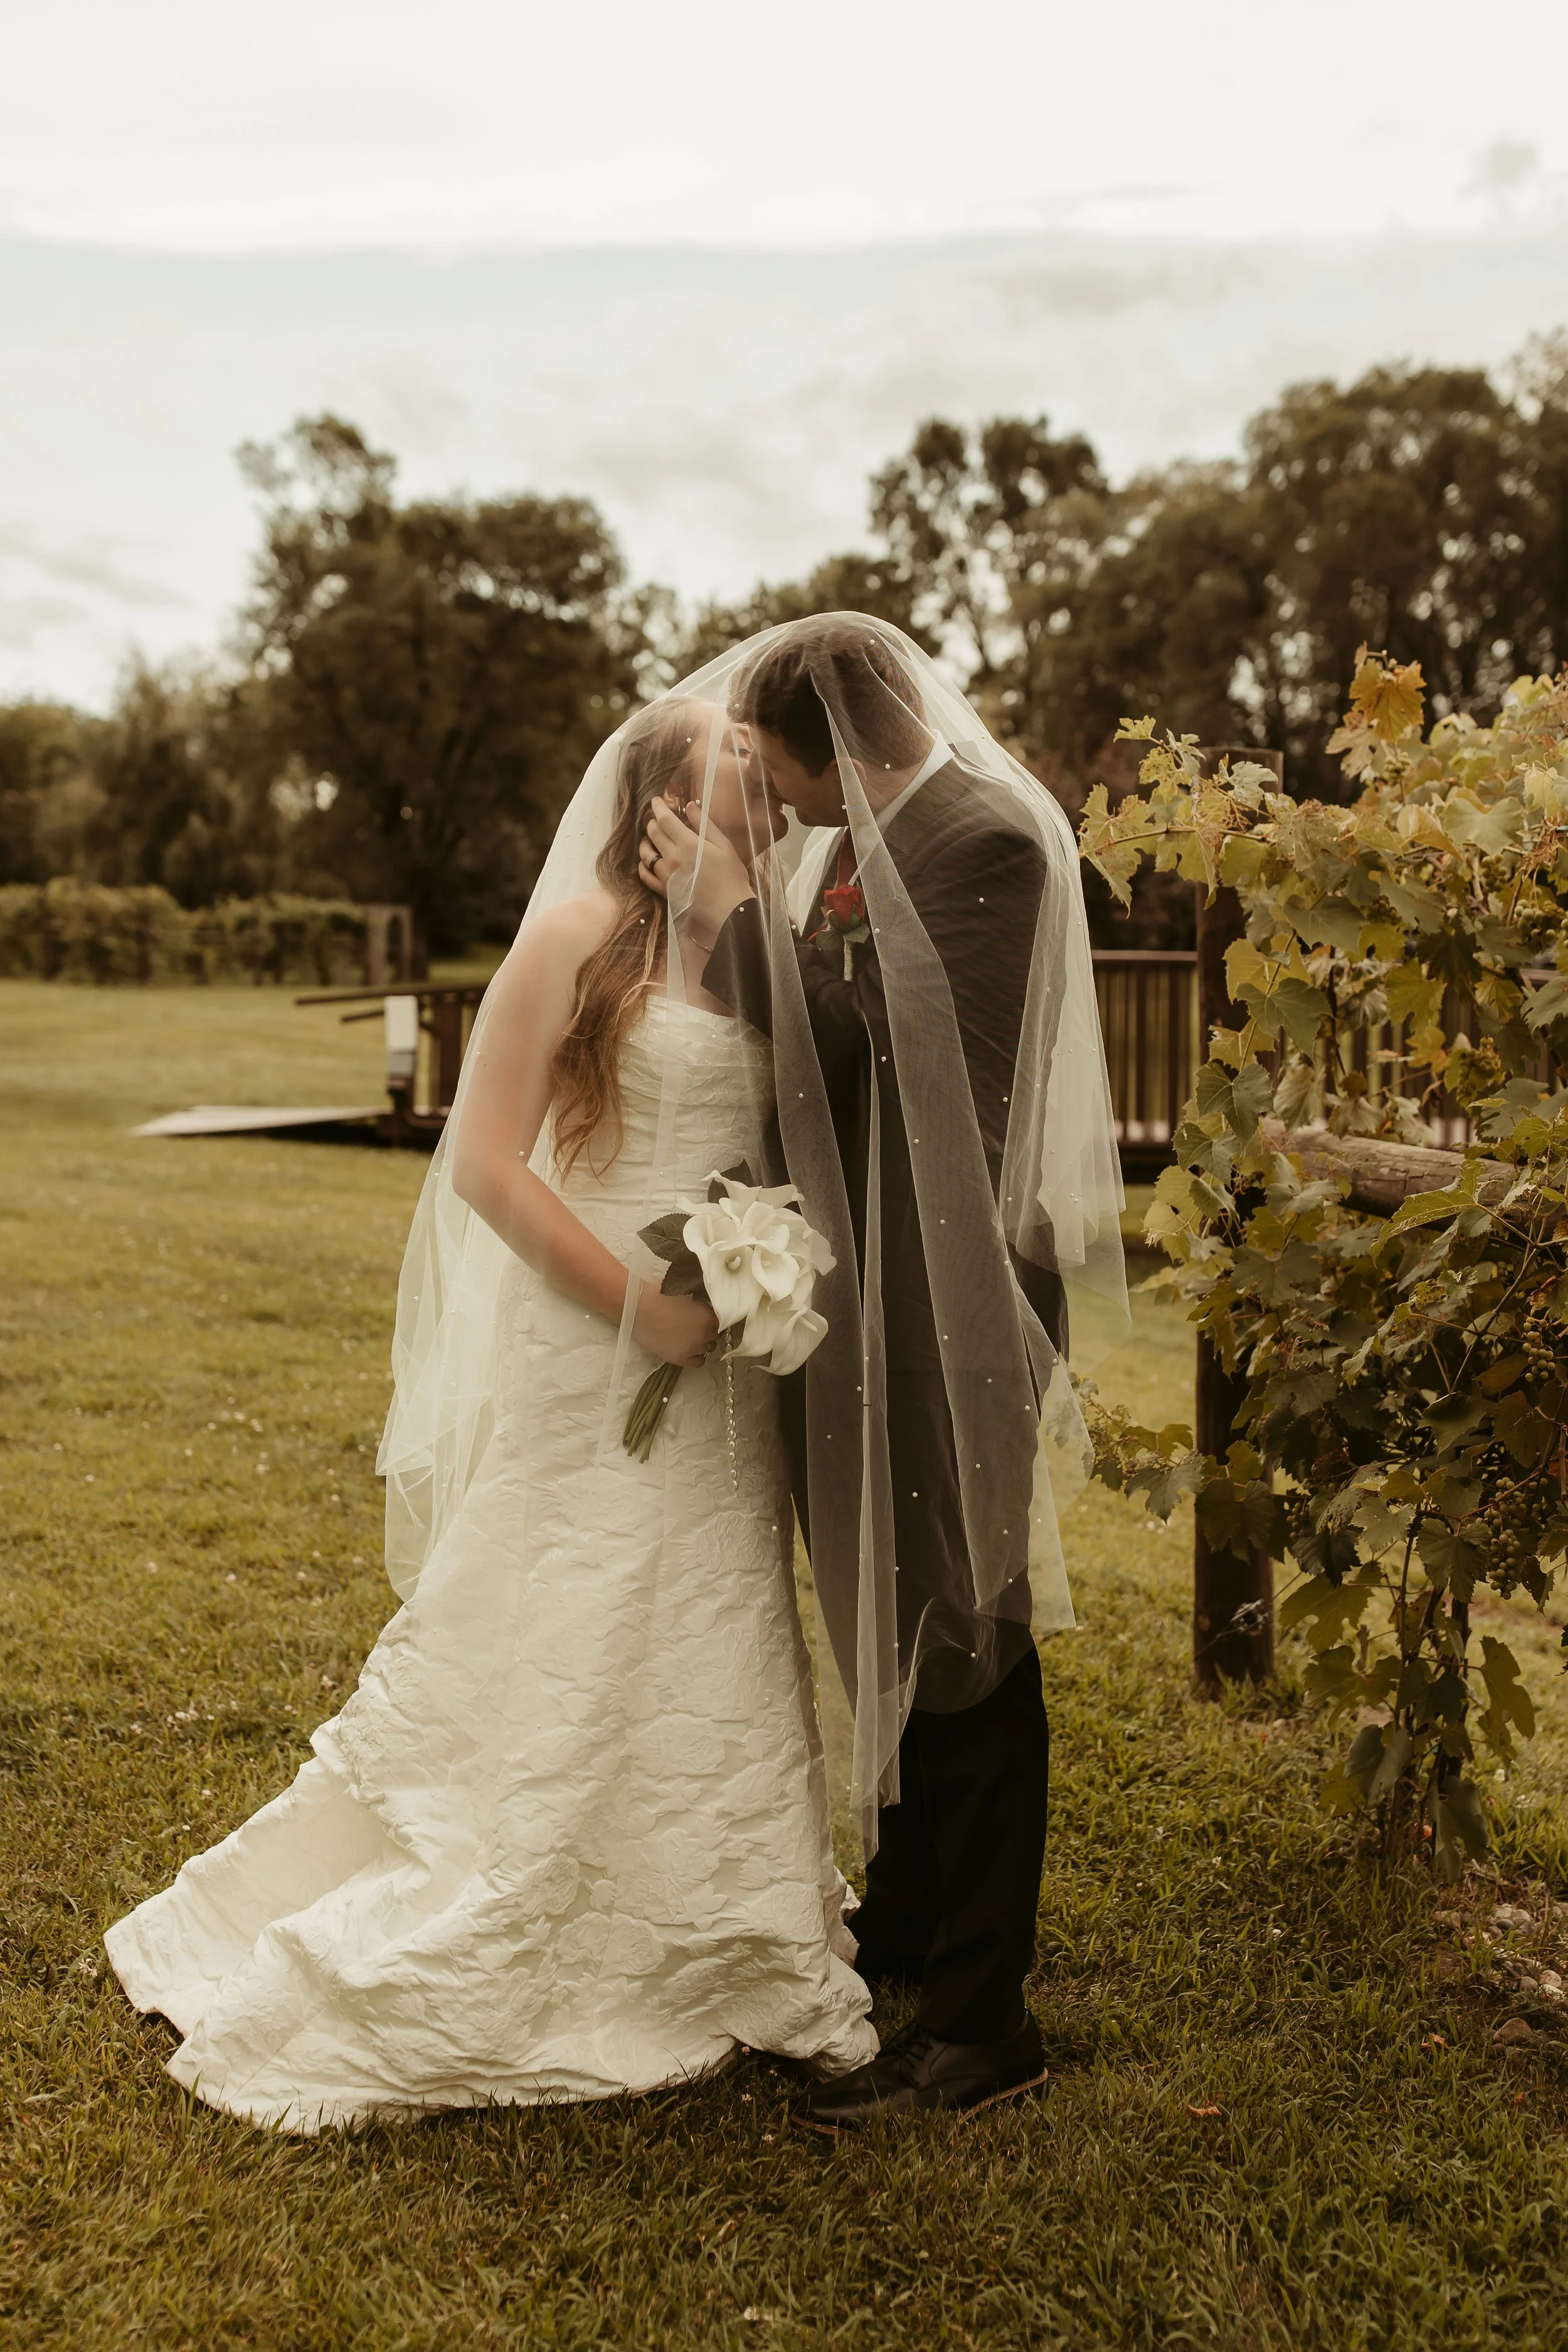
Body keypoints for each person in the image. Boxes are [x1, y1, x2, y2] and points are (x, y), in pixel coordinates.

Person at [104, 695, 877, 2132]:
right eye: (727, 774)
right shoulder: (574, 937)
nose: (759, 796)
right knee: (576, 1597)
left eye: (766, 785)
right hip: (591, 1336)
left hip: (723, 1366)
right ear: (653, 797)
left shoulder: (769, 953)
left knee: (709, 1603)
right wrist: (641, 1308)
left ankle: (722, 1908)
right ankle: (519, 1883)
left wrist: (751, 1272)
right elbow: (482, 1164)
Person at [640, 616, 1125, 2129]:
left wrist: (734, 915)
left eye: (779, 777)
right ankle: (911, 1919)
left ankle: (985, 2027)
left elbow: (878, 1047)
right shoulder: (858, 839)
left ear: (833, 737)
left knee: (971, 1629)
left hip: (954, 1298)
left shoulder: (983, 840)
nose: (774, 809)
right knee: (896, 1600)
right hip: (870, 1289)